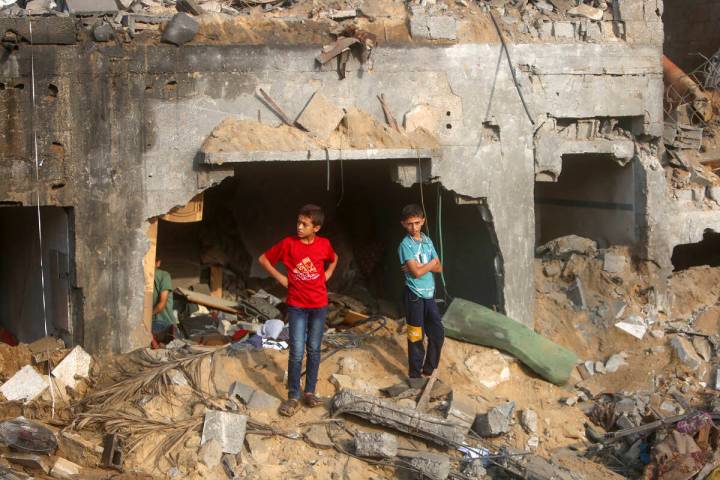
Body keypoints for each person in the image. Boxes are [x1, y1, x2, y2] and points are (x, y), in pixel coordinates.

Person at [258, 204, 339, 417]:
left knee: (314, 349)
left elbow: (334, 258)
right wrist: (282, 278)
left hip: (319, 306)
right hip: (297, 306)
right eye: (298, 222)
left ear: (317, 228)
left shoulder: (324, 245)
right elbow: (264, 259)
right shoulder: (288, 244)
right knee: (296, 351)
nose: (299, 227)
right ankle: (293, 395)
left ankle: (310, 392)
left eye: (305, 224)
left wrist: (328, 273)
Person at [398, 204, 444, 382]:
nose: (414, 227)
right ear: (403, 224)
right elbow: (417, 273)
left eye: (417, 223)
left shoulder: (427, 241)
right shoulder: (405, 245)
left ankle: (429, 369)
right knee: (416, 336)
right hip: (414, 295)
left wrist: (422, 267)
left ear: (423, 221)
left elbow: (439, 268)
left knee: (438, 333)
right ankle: (415, 375)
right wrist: (431, 264)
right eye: (410, 224)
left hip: (429, 295)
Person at [152, 258, 176, 346]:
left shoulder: (164, 275)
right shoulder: (139, 276)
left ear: (158, 263)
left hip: (163, 321)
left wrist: (148, 316)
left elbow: (162, 304)